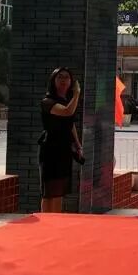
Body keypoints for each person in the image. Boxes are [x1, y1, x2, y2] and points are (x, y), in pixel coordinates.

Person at [39, 68, 84, 213]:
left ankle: (56, 220)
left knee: (59, 190)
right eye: (60, 77)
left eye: (66, 77)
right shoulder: (48, 102)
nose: (63, 80)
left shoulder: (66, 101)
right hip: (51, 149)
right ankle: (47, 221)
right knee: (49, 191)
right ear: (53, 81)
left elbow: (70, 124)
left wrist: (78, 144)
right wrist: (77, 94)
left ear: (71, 81)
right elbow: (67, 112)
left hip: (64, 149)